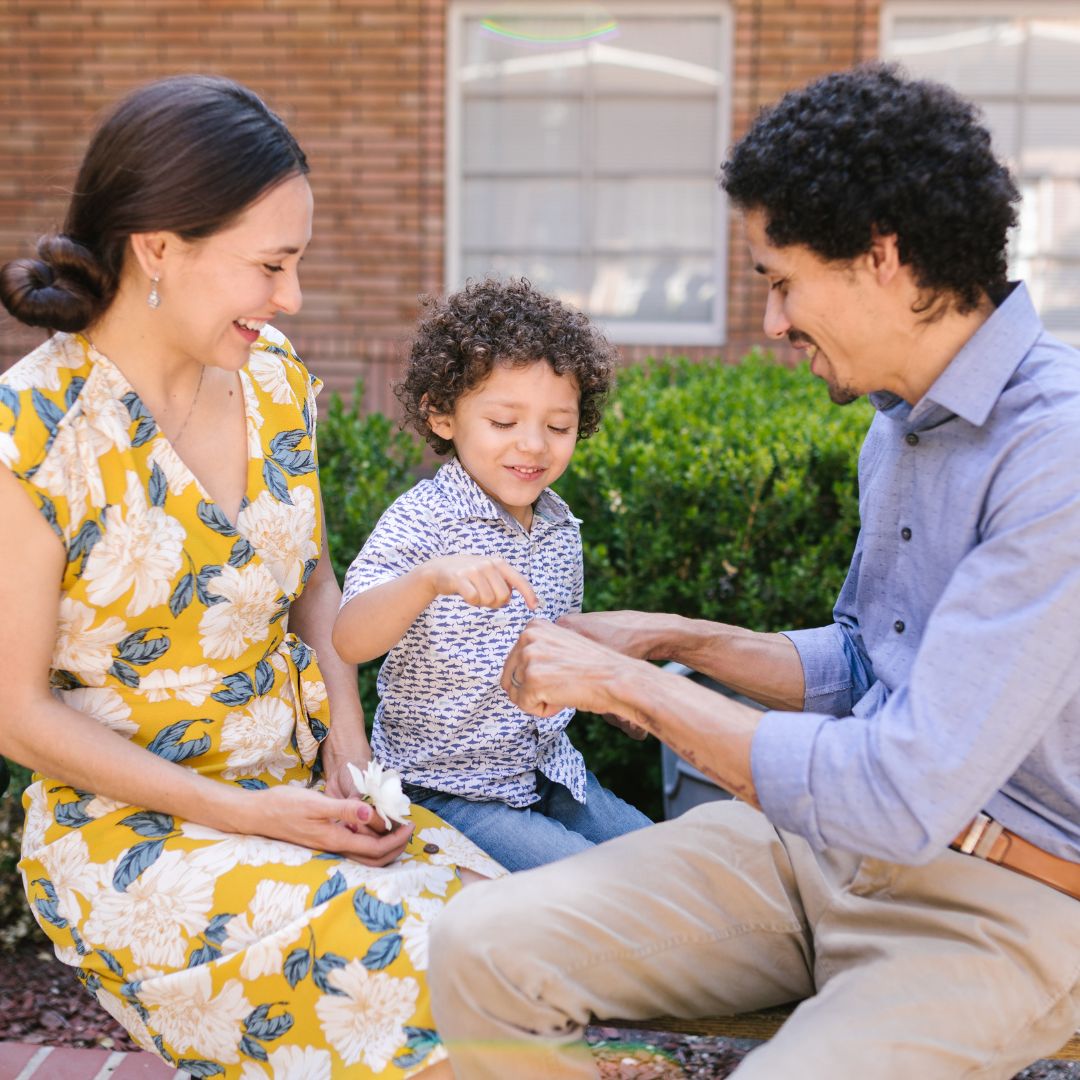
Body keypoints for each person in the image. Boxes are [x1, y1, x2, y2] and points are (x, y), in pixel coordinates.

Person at [426, 62, 1080, 1079]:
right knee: (478, 948)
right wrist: (673, 639)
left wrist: (631, 688)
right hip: (817, 851)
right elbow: (868, 664)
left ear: (881, 259)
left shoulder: (1057, 454)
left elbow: (906, 788)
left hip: (1000, 903)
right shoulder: (898, 423)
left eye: (780, 281)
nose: (772, 322)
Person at [0, 74, 502, 1080]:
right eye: (272, 265)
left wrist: (350, 752)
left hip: (303, 793)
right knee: (417, 975)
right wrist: (254, 817)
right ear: (158, 247)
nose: (292, 297)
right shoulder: (35, 430)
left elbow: (313, 587)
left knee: (514, 935)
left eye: (297, 263)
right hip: (138, 841)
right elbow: (15, 715)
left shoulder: (273, 378)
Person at [332, 278, 651, 871]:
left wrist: (610, 695)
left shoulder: (560, 527)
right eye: (504, 422)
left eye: (558, 427)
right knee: (598, 886)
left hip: (549, 773)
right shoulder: (423, 520)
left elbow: (556, 656)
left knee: (673, 861)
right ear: (441, 414)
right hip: (448, 791)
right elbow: (348, 638)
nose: (533, 445)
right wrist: (428, 579)